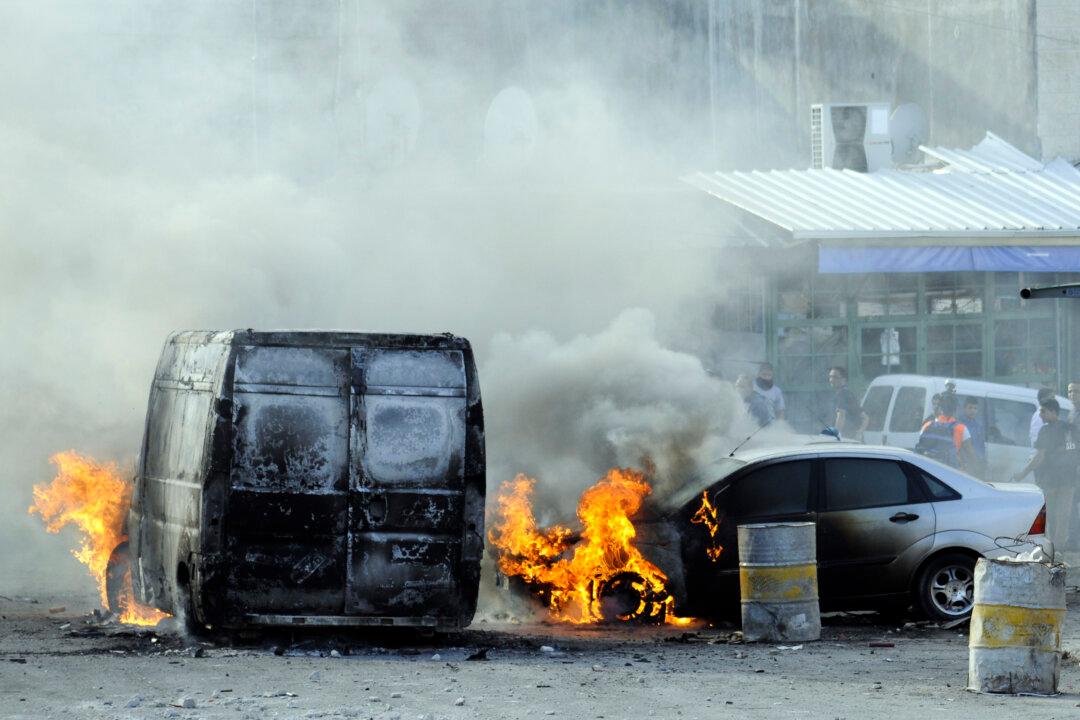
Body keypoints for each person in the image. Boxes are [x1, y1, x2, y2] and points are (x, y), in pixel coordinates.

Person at [1013, 399, 1079, 549]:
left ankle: (1053, 549)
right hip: (1065, 481)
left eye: (1043, 411)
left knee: (1053, 517)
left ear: (1053, 412)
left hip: (1054, 481)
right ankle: (1058, 549)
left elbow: (1039, 456)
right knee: (1061, 518)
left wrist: (1022, 474)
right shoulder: (1069, 428)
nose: (1040, 414)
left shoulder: (1047, 431)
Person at [916, 394, 977, 470]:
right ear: (955, 410)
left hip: (927, 471)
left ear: (940, 408)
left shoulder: (927, 425)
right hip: (948, 473)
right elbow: (970, 454)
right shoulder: (961, 428)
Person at [827, 366, 867, 440]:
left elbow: (841, 416)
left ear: (843, 380)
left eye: (835, 377)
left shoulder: (842, 394)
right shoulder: (849, 394)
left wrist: (835, 437)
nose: (831, 380)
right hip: (854, 441)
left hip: (846, 441)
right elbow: (865, 418)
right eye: (830, 377)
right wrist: (859, 433)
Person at [962, 396, 986, 478]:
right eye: (970, 408)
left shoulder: (978, 426)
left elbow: (981, 446)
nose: (973, 410)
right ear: (964, 408)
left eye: (975, 408)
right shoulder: (960, 424)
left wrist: (983, 462)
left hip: (976, 465)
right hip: (964, 464)